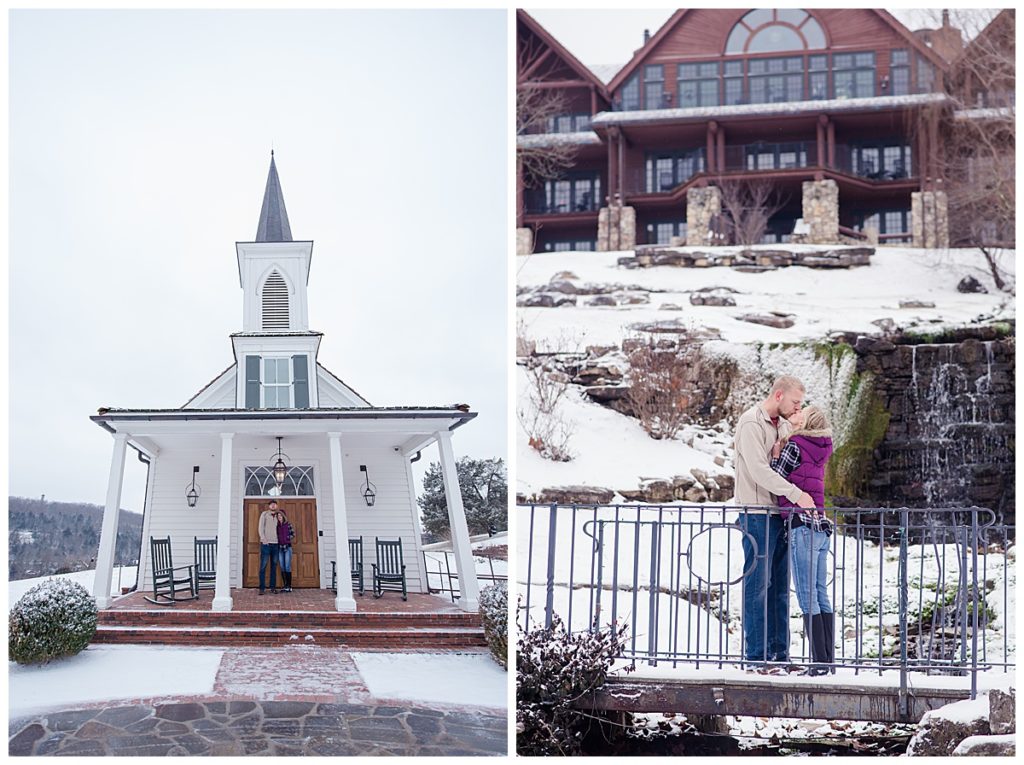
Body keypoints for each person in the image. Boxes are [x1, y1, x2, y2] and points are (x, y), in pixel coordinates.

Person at [734, 375, 815, 671]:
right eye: (795, 402)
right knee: (757, 586)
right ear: (778, 395)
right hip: (755, 514)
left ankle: (780, 655)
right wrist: (797, 494)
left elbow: (794, 464)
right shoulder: (750, 424)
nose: (798, 409)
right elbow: (758, 471)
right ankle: (756, 658)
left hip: (781, 514)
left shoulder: (783, 425)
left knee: (780, 586)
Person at [771, 405, 835, 676]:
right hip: (821, 527)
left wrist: (776, 454)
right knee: (821, 593)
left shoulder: (795, 445)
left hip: (801, 526)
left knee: (807, 596)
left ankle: (818, 665)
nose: (796, 415)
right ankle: (827, 661)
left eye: (801, 413)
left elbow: (776, 477)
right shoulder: (823, 447)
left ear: (807, 422)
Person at [258, 500, 280, 594]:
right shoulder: (264, 514)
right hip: (266, 544)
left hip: (276, 544)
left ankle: (273, 587)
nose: (273, 505)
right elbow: (260, 527)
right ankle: (262, 588)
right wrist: (263, 538)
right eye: (271, 504)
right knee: (263, 566)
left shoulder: (279, 515)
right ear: (269, 506)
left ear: (276, 506)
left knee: (274, 567)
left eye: (274, 504)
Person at [276, 508, 295, 593]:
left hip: (287, 547)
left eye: (280, 515)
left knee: (287, 566)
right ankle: (285, 585)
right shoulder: (277, 526)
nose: (279, 517)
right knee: (282, 566)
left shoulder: (288, 524)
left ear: (283, 516)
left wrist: (287, 538)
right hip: (280, 548)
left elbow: (293, 534)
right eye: (278, 516)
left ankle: (289, 586)